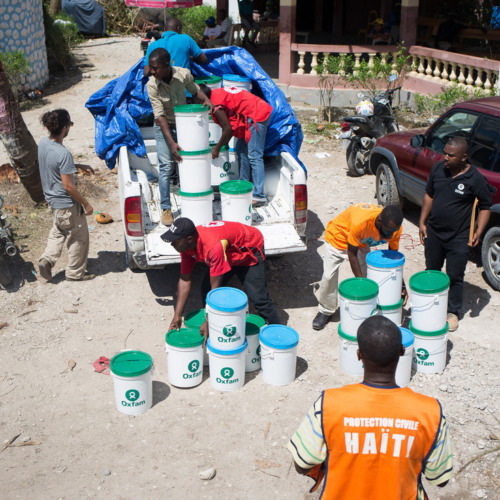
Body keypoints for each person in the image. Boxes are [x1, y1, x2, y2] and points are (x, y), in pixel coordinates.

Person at [288, 315, 453, 499]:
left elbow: (302, 464)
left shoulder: (328, 404)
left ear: (359, 355)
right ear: (401, 351)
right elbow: (440, 479)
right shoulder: (430, 412)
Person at [163, 218, 281, 341]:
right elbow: (185, 280)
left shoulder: (213, 246)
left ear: (189, 239)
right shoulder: (186, 247)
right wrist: (177, 316)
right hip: (228, 252)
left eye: (175, 241)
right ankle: (214, 326)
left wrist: (209, 320)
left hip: (248, 248)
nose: (172, 244)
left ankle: (277, 337)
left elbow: (216, 293)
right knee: (206, 288)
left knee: (259, 298)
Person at [419, 136, 491, 332]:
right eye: (444, 153)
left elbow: (485, 206)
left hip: (459, 237)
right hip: (434, 232)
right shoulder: (438, 169)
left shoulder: (475, 178)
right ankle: (430, 305)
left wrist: (478, 230)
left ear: (463, 157)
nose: (445, 158)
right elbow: (429, 194)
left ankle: (452, 312)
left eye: (451, 155)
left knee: (455, 276)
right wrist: (422, 221)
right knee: (432, 270)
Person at [146, 48, 213, 226]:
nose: (151, 71)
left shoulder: (183, 75)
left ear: (167, 65)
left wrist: (206, 100)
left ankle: (191, 199)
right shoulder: (152, 84)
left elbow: (195, 91)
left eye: (155, 68)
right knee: (166, 166)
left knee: (188, 162)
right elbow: (160, 117)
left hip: (184, 125)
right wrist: (172, 143)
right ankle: (166, 208)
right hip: (163, 127)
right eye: (151, 68)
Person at [313, 203, 404, 330]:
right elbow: (352, 254)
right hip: (338, 237)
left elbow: (393, 258)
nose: (389, 236)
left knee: (370, 275)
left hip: (360, 242)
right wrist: (362, 284)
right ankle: (326, 310)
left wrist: (401, 284)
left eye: (392, 232)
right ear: (379, 221)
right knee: (329, 277)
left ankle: (372, 306)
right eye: (386, 232)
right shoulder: (361, 222)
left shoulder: (395, 229)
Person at [38, 109, 96, 282]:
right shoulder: (63, 154)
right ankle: (75, 273)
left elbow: (53, 164)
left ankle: (47, 260)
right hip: (67, 205)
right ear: (64, 127)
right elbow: (68, 187)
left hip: (53, 203)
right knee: (78, 237)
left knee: (58, 231)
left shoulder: (43, 143)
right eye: (69, 124)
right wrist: (86, 204)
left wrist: (76, 165)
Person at [197, 84, 273, 206]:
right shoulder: (215, 94)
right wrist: (222, 145)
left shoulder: (215, 105)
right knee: (241, 151)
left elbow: (227, 129)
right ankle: (243, 184)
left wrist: (217, 149)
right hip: (249, 115)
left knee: (254, 156)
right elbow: (230, 126)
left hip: (256, 115)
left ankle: (259, 196)